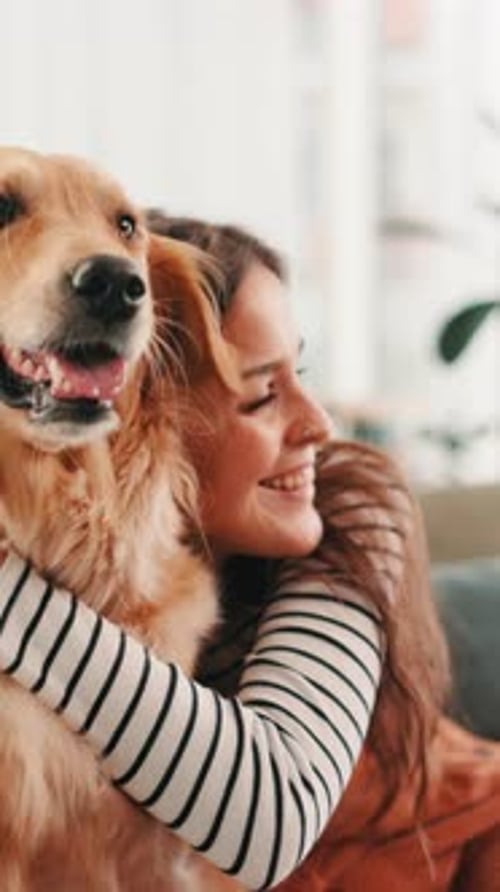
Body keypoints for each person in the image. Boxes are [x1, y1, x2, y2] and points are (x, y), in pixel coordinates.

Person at [0, 214, 490, 891]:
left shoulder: (355, 509)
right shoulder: (59, 550)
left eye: (301, 370)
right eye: (262, 394)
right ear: (147, 430)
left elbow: (268, 816)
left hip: (446, 858)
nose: (317, 423)